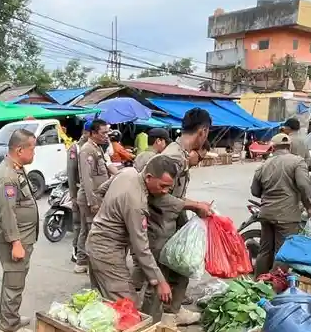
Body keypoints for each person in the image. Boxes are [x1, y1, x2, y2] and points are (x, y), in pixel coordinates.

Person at [86, 158, 210, 302]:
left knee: (103, 302)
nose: (164, 191)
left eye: (168, 188)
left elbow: (101, 191)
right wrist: (159, 281)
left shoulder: (128, 172)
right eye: (162, 186)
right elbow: (141, 248)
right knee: (127, 306)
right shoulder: (136, 204)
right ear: (149, 177)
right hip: (106, 251)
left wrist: (108, 214)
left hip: (95, 240)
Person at [136, 107, 214, 325]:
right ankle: (148, 325)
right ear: (203, 132)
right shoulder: (173, 156)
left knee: (182, 268)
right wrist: (194, 205)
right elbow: (159, 198)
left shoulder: (179, 154)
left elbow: (175, 195)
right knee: (157, 280)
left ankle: (173, 312)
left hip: (171, 223)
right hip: (159, 226)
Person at [0, 128, 40, 332]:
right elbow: (7, 212)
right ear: (20, 150)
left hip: (22, 235)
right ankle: (8, 328)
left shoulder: (16, 168)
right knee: (14, 281)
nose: (34, 153)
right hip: (15, 238)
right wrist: (16, 243)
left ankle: (10, 317)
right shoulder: (7, 176)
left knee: (14, 279)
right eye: (33, 148)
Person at [250, 132, 311, 276]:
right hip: (287, 215)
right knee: (282, 252)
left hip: (266, 213)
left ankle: (258, 282)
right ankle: (274, 286)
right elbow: (304, 186)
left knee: (265, 250)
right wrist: (309, 207)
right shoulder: (297, 162)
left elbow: (255, 191)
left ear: (273, 148)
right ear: (289, 146)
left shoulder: (263, 165)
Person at [76, 118, 112, 272]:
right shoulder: (87, 150)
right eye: (103, 132)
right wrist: (93, 202)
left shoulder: (97, 148)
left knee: (86, 230)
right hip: (91, 197)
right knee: (93, 232)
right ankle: (92, 266)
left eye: (107, 132)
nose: (106, 135)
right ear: (93, 133)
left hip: (96, 196)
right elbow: (87, 177)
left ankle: (81, 262)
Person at [67, 127, 88, 274]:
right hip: (79, 190)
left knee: (84, 225)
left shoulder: (95, 147)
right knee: (79, 225)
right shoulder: (76, 148)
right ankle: (76, 252)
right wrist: (73, 195)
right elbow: (71, 172)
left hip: (88, 192)